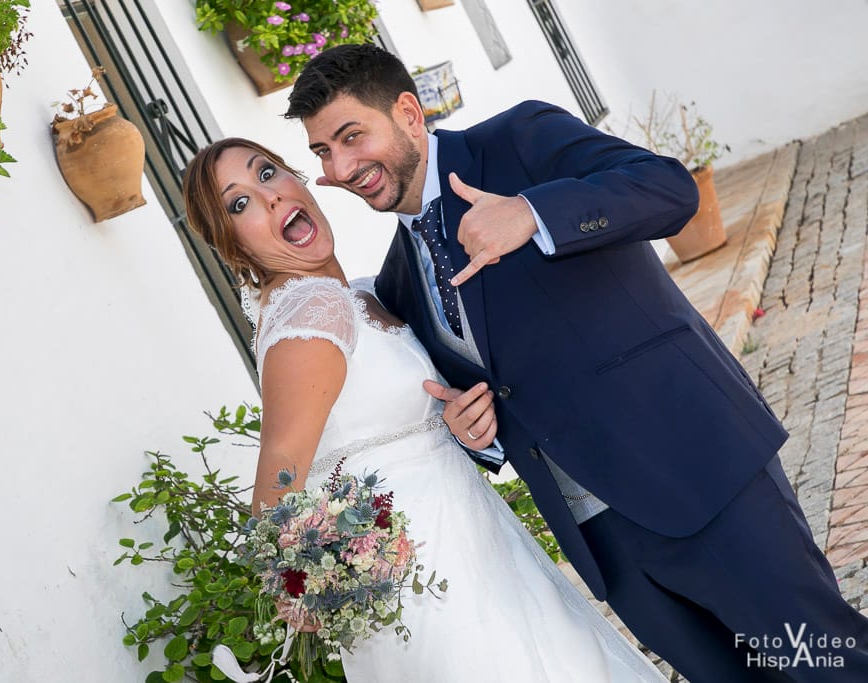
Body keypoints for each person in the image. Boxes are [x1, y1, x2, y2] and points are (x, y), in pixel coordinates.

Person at [283, 43, 868, 682]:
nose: (341, 167)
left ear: (408, 113)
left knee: (827, 662)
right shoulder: (400, 282)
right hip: (606, 546)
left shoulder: (518, 141)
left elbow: (670, 189)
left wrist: (532, 213)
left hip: (698, 474)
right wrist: (474, 434)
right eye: (323, 152)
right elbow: (494, 394)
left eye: (351, 136)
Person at [181, 136, 668, 681]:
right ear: (233, 244)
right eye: (239, 203)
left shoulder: (359, 296)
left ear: (297, 178)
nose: (268, 196)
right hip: (426, 579)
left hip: (469, 543)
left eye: (267, 173)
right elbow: (280, 465)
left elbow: (372, 428)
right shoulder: (312, 311)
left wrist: (455, 424)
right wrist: (290, 584)